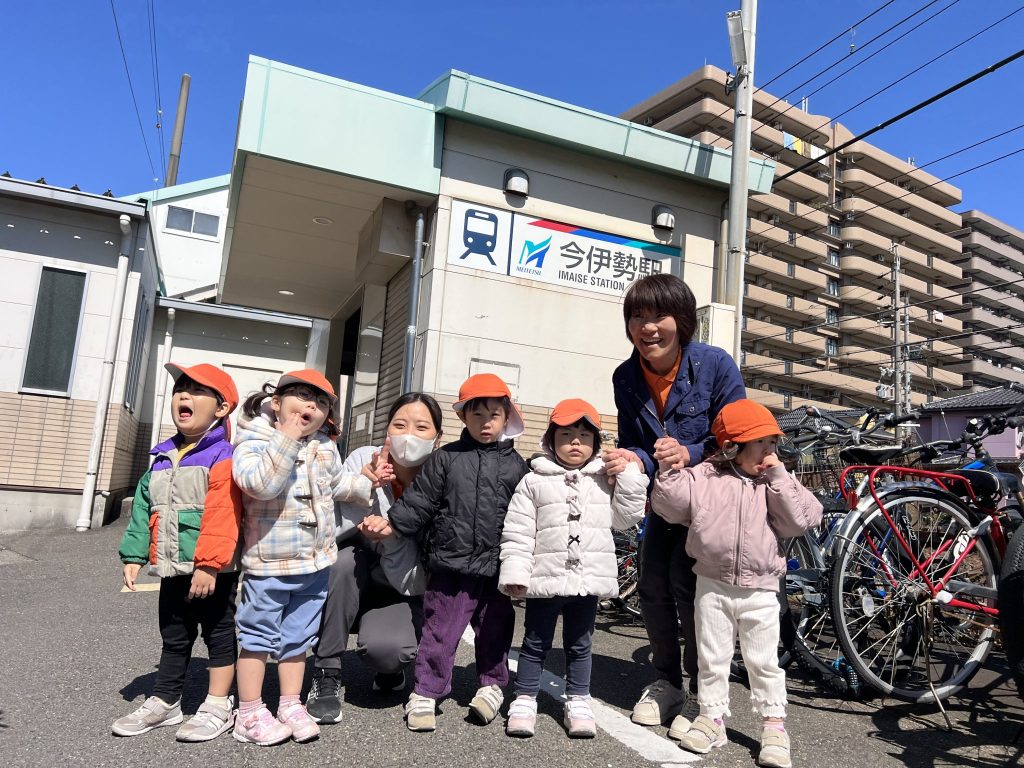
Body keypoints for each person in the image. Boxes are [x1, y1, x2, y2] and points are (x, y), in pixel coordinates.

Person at [604, 273, 745, 737]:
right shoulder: (625, 376)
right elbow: (636, 443)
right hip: (664, 503)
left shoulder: (715, 364)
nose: (648, 327)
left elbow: (738, 435)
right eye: (637, 317)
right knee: (652, 587)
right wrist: (633, 457)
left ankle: (705, 694)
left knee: (694, 592)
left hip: (712, 501)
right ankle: (666, 682)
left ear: (681, 320)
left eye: (658, 316)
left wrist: (691, 452)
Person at [650, 399, 822, 768]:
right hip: (711, 583)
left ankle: (774, 726)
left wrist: (778, 477)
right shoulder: (706, 477)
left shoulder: (777, 482)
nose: (769, 451)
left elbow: (802, 519)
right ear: (731, 446)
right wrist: (668, 467)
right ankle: (712, 719)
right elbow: (670, 505)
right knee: (712, 658)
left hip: (761, 589)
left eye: (773, 443)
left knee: (764, 662)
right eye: (760, 443)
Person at [231, 369, 373, 746]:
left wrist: (368, 482)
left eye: (322, 401)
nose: (312, 404)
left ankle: (290, 705)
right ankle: (248, 713)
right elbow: (257, 485)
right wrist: (287, 439)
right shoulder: (254, 437)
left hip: (315, 564)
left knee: (298, 639)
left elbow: (338, 483)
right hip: (269, 564)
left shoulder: (325, 444)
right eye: (301, 395)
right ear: (275, 402)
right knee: (257, 637)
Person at [381, 373, 529, 733]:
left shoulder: (518, 466)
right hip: (451, 563)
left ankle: (492, 686)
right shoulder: (445, 459)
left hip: (497, 567)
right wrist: (394, 524)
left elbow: (529, 516)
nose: (486, 422)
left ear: (507, 416)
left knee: (495, 628)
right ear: (464, 417)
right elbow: (421, 500)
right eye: (477, 415)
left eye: (494, 414)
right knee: (440, 629)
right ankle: (426, 691)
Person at [499, 399, 647, 739]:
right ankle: (525, 698)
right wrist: (515, 573)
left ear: (596, 442)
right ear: (551, 440)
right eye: (566, 434)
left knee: (581, 643)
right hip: (545, 579)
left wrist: (629, 475)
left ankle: (579, 698)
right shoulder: (533, 481)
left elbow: (626, 517)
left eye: (584, 434)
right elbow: (518, 532)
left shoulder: (604, 480)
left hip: (587, 581)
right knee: (535, 642)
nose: (576, 441)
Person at [113, 362, 243, 742]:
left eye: (196, 390)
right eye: (180, 389)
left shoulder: (223, 455)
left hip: (212, 570)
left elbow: (224, 513)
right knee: (174, 634)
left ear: (221, 409)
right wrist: (134, 556)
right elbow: (142, 509)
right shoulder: (162, 457)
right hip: (170, 568)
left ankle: (219, 704)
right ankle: (166, 701)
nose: (183, 395)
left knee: (219, 634)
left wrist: (209, 565)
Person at [305, 392, 443, 724]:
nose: (409, 434)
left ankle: (389, 670)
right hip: (352, 578)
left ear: (437, 439)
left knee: (388, 651)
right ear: (387, 431)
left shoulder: (441, 481)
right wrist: (363, 488)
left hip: (401, 587)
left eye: (421, 427)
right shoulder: (362, 459)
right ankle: (326, 671)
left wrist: (392, 538)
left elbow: (419, 579)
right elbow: (331, 532)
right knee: (342, 561)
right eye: (400, 424)